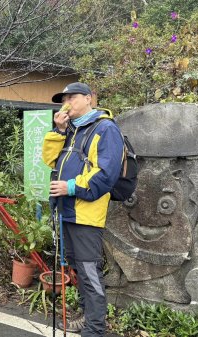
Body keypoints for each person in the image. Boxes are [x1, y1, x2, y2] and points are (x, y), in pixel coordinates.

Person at [42, 82, 124, 336]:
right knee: (78, 269)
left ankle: (95, 329)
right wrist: (59, 129)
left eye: (72, 97)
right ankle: (86, 317)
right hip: (67, 212)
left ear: (89, 99)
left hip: (86, 214)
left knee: (89, 271)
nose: (66, 102)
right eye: (63, 99)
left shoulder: (105, 128)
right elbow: (50, 160)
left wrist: (71, 187)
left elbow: (106, 174)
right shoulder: (73, 130)